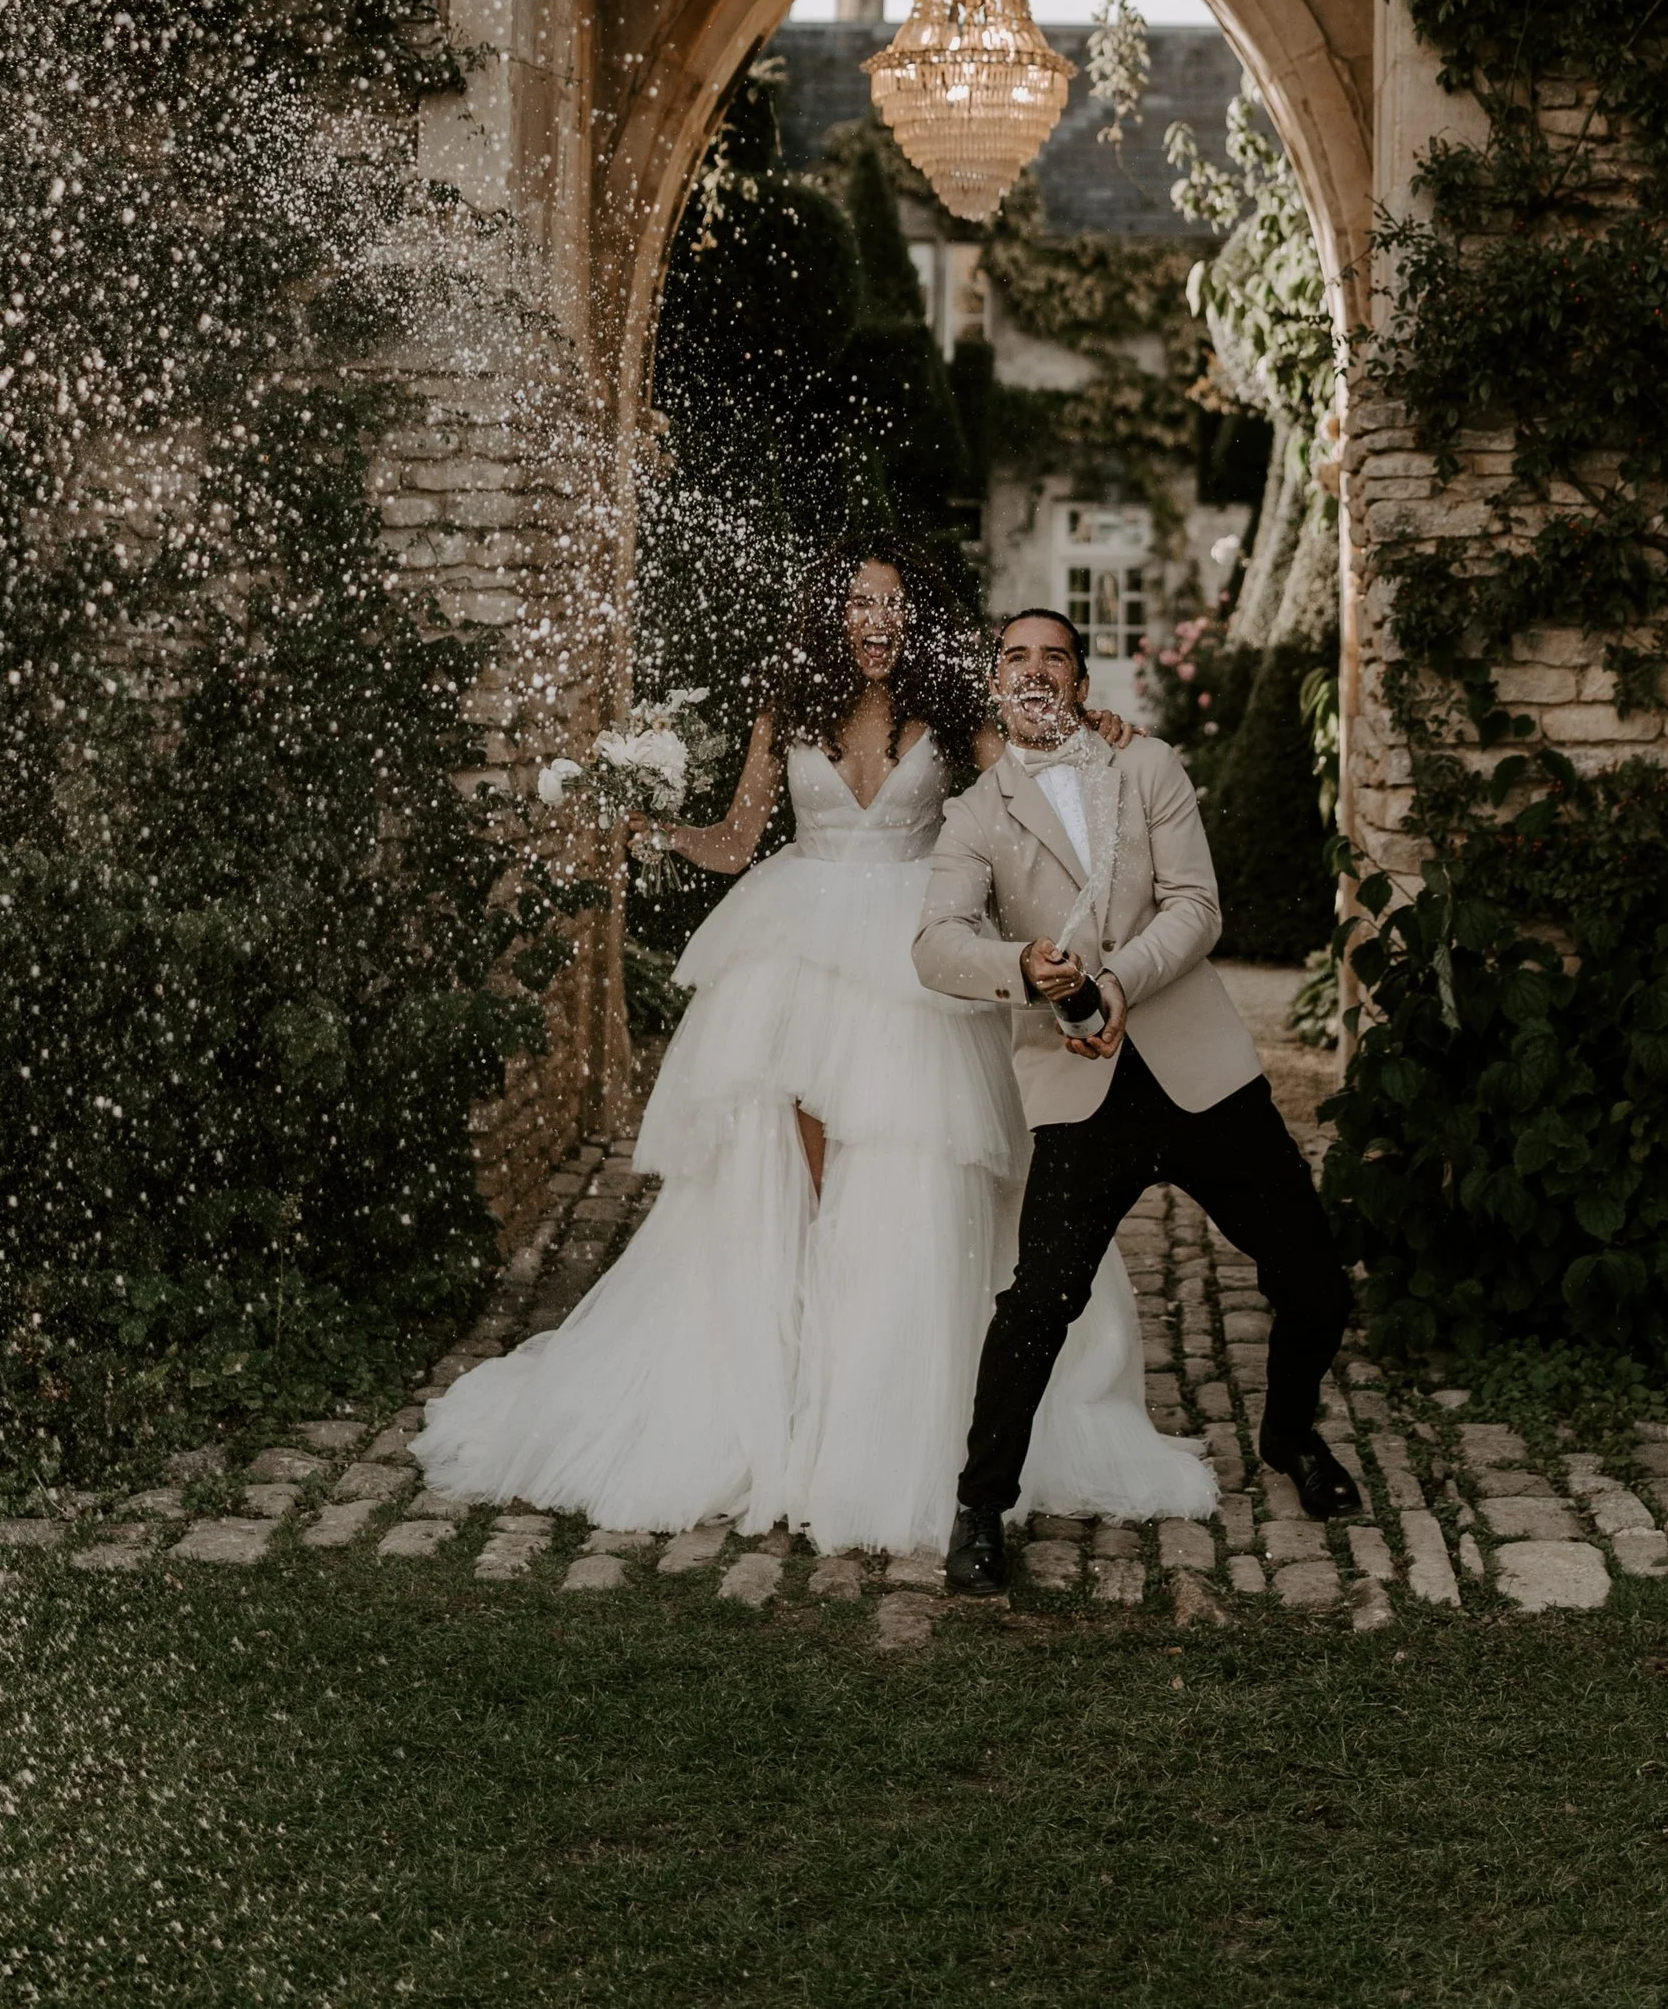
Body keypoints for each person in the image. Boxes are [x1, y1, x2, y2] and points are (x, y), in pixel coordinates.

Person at [411, 539, 1214, 1550]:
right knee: (787, 1184)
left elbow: (1037, 804)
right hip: (793, 953)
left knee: (913, 1181)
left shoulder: (959, 716)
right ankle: (785, 1395)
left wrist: (1091, 738)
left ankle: (889, 1411)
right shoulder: (784, 705)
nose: (875, 619)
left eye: (893, 601)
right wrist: (642, 826)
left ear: (915, 617)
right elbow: (736, 841)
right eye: (857, 601)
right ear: (831, 614)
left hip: (918, 956)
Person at [913, 605, 1360, 1594]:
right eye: (1016, 656)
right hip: (1077, 1092)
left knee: (1316, 1278)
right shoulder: (977, 815)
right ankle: (980, 1509)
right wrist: (1020, 966)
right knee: (1039, 1299)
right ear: (999, 682)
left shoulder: (1147, 768)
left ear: (1079, 682)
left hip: (1200, 1072)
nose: (1035, 669)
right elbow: (935, 946)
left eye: (1054, 656)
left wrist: (1117, 985)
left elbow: (1196, 906)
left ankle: (1289, 1437)